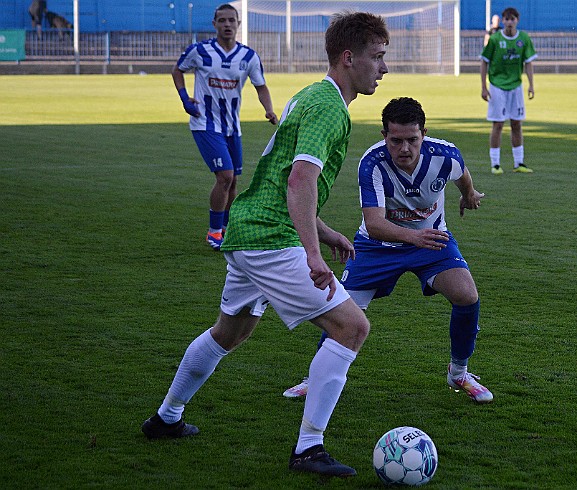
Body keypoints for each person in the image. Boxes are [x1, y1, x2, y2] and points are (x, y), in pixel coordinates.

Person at [141, 11, 389, 478]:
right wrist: (313, 252)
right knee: (352, 328)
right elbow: (299, 180)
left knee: (229, 332)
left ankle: (165, 418)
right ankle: (308, 449)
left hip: (247, 228)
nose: (384, 67)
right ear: (348, 57)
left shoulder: (312, 97)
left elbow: (282, 181)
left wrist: (325, 231)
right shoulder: (328, 107)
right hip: (271, 240)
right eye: (377, 57)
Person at [283, 97, 493, 405]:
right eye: (396, 141)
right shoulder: (372, 163)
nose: (405, 148)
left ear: (424, 133)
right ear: (385, 136)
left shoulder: (445, 155)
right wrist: (414, 238)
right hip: (376, 246)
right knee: (342, 311)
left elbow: (461, 175)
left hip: (431, 241)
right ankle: (316, 379)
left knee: (467, 296)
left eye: (412, 140)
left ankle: (459, 373)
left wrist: (469, 194)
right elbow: (376, 223)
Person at [173, 3, 278, 250]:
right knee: (225, 177)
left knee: (233, 183)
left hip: (233, 128)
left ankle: (227, 229)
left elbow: (260, 85)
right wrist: (184, 98)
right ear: (214, 24)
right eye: (222, 20)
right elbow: (177, 71)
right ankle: (214, 232)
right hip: (205, 124)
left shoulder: (248, 57)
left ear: (238, 24)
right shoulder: (200, 51)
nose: (227, 25)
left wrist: (269, 109)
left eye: (232, 20)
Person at [480, 7, 537, 175]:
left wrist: (531, 84)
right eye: (507, 19)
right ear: (503, 21)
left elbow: (528, 63)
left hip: (516, 86)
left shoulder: (524, 38)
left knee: (517, 123)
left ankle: (519, 162)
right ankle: (495, 164)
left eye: (513, 19)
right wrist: (484, 86)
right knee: (498, 124)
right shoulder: (495, 39)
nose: (510, 22)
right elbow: (484, 61)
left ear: (517, 20)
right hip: (497, 86)